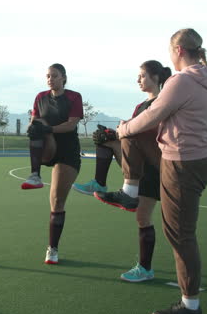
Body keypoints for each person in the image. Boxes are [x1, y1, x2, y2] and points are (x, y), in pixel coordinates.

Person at [115, 29, 207, 314]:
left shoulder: (183, 80)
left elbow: (153, 114)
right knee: (179, 232)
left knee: (180, 234)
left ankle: (190, 306)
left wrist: (123, 129)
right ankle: (130, 191)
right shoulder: (205, 78)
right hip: (197, 161)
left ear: (177, 50)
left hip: (182, 164)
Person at [73, 60, 172, 205]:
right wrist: (113, 134)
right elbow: (132, 131)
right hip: (139, 164)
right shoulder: (140, 106)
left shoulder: (162, 103)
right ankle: (99, 183)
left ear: (156, 77)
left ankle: (127, 190)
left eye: (142, 76)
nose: (138, 80)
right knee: (104, 138)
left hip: (156, 163)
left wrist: (121, 133)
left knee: (150, 218)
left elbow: (147, 133)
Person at [21, 64, 83, 265]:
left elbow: (71, 124)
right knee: (36, 128)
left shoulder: (74, 97)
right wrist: (35, 127)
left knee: (57, 200)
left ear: (63, 78)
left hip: (67, 152)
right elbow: (34, 121)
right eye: (48, 76)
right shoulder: (40, 97)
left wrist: (48, 128)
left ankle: (53, 248)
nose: (50, 79)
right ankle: (35, 174)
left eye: (54, 76)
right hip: (48, 147)